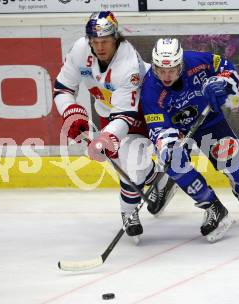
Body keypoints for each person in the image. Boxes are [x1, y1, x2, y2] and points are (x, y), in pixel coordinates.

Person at [53, 12, 176, 243]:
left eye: (105, 41)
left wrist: (106, 137)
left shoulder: (128, 63)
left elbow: (125, 115)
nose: (99, 47)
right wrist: (71, 111)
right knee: (127, 164)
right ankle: (159, 179)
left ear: (116, 38)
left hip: (141, 109)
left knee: (131, 164)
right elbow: (62, 89)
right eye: (95, 41)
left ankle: (129, 211)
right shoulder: (80, 49)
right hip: (109, 111)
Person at [140, 38, 239, 243]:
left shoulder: (196, 60)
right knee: (174, 162)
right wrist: (168, 146)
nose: (166, 75)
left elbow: (227, 68)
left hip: (209, 121)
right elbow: (159, 127)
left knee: (235, 163)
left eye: (172, 69)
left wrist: (222, 83)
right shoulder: (150, 89)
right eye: (161, 70)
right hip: (176, 130)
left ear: (181, 64)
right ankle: (213, 207)